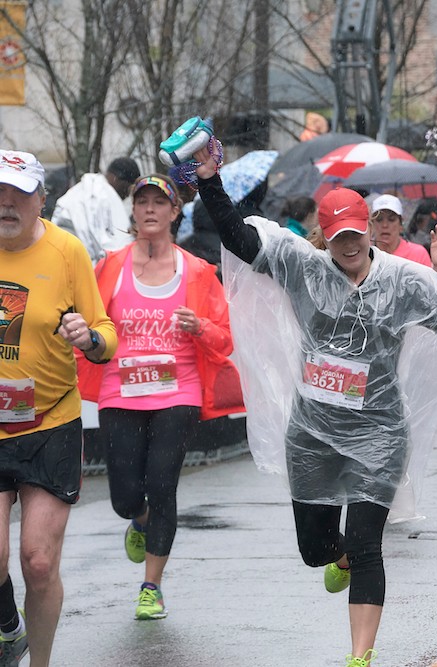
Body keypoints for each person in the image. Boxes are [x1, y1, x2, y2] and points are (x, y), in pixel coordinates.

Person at [192, 147, 437, 667]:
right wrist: (210, 182)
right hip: (313, 432)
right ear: (326, 238)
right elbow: (241, 239)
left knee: (367, 545)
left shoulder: (403, 281)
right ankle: (332, 554)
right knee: (315, 549)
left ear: (369, 232)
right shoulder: (304, 267)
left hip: (379, 434)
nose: (349, 248)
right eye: (339, 240)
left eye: (356, 237)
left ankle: (360, 655)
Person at [75, 174, 244, 621]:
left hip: (178, 391)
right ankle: (139, 519)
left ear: (174, 212)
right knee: (125, 496)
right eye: (142, 201)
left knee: (162, 484)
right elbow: (92, 325)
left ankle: (151, 586)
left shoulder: (198, 271)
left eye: (159, 202)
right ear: (133, 211)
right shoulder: (108, 267)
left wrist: (200, 327)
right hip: (120, 392)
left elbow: (225, 338)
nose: (150, 209)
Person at [0, 150, 118, 666]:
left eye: (19, 193)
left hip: (50, 422)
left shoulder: (66, 251)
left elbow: (107, 336)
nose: (6, 203)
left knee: (40, 562)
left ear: (41, 200)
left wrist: (87, 335)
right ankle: (8, 626)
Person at [51, 157, 140, 263]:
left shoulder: (77, 192)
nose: (127, 195)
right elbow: (117, 246)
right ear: (117, 178)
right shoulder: (107, 198)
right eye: (128, 189)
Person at [368, 194, 435, 271]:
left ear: (401, 224)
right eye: (379, 220)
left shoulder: (418, 254)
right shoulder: (365, 255)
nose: (385, 225)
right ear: (372, 225)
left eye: (391, 219)